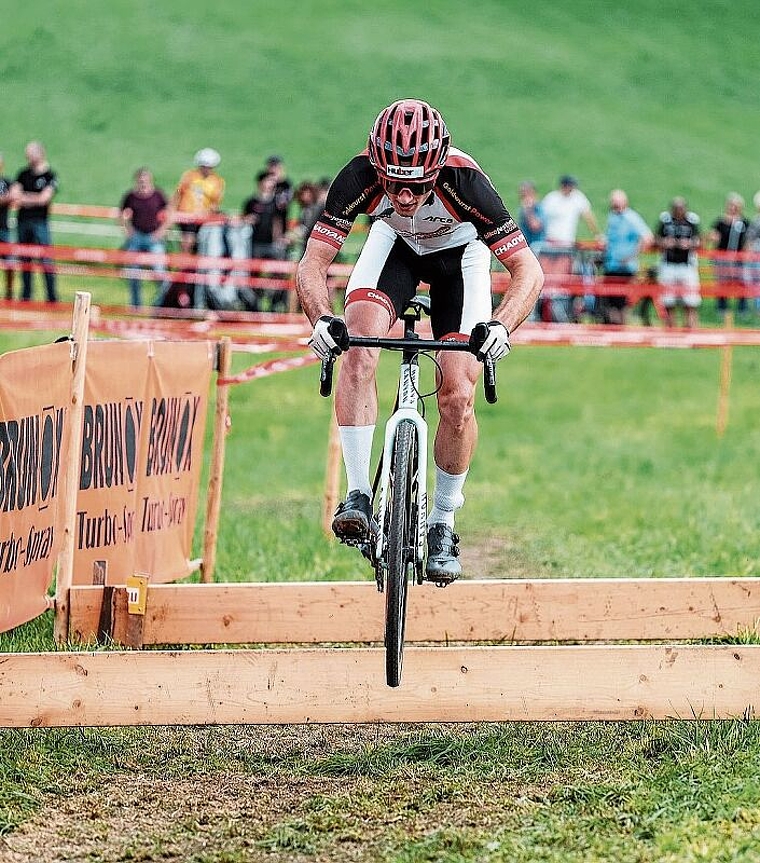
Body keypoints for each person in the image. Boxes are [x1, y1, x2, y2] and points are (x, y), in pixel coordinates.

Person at [296, 98, 543, 584]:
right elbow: (313, 262)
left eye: (416, 187)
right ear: (377, 167)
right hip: (395, 251)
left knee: (457, 395)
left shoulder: (466, 183)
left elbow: (527, 271)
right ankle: (359, 496)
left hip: (460, 261)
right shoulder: (358, 176)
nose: (406, 198)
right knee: (359, 345)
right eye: (395, 186)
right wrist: (322, 319)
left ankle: (443, 523)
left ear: (436, 170)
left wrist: (501, 326)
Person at [539, 175, 600, 321]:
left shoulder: (577, 198)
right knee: (547, 281)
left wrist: (597, 234)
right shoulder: (551, 199)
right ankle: (545, 310)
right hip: (551, 245)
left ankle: (560, 310)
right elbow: (541, 220)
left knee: (562, 281)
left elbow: (588, 215)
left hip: (566, 246)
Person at [11, 141, 59, 303]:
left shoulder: (49, 176)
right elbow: (15, 196)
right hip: (23, 222)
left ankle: (51, 297)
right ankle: (26, 296)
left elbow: (43, 199)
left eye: (30, 154)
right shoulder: (22, 174)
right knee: (25, 260)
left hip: (40, 222)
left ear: (40, 154)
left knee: (46, 260)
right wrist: (33, 198)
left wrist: (27, 197)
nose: (28, 158)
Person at [599, 189, 653, 324]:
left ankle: (621, 330)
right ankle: (612, 330)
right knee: (610, 300)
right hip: (611, 264)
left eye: (617, 203)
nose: (614, 206)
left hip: (626, 267)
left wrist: (630, 257)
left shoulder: (631, 218)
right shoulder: (613, 217)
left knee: (623, 302)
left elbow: (647, 238)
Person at [119, 168, 171, 308]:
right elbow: (121, 214)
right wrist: (127, 230)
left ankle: (161, 304)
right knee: (133, 273)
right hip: (137, 237)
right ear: (136, 181)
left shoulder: (158, 195)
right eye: (140, 181)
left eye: (145, 181)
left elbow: (169, 214)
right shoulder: (131, 196)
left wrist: (161, 231)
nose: (143, 184)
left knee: (160, 273)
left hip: (154, 238)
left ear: (150, 181)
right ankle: (136, 306)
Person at [242, 170, 287, 311]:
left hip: (272, 245)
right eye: (267, 181)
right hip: (255, 244)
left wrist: (279, 240)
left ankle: (274, 303)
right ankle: (254, 305)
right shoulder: (251, 202)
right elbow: (243, 218)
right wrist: (248, 219)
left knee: (277, 274)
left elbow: (279, 222)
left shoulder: (277, 203)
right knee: (254, 275)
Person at [655, 197, 701, 328]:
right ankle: (670, 331)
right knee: (668, 300)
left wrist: (689, 244)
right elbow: (656, 238)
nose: (679, 211)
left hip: (687, 265)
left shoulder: (691, 221)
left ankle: (691, 331)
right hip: (669, 264)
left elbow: (699, 240)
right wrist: (664, 242)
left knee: (691, 301)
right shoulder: (665, 220)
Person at [171, 148, 225, 254]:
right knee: (188, 241)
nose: (206, 169)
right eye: (203, 166)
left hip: (204, 218)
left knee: (204, 241)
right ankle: (185, 263)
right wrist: (172, 209)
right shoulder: (189, 176)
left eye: (209, 167)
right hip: (187, 216)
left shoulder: (217, 181)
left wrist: (210, 212)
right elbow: (178, 193)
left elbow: (215, 203)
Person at [707, 192, 748, 318]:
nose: (733, 208)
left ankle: (742, 309)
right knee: (722, 282)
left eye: (736, 205)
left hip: (738, 259)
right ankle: (722, 307)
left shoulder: (744, 223)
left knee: (742, 282)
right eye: (731, 205)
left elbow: (747, 240)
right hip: (722, 258)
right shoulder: (720, 222)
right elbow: (713, 235)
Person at [516, 181, 545, 320]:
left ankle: (534, 316)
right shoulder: (523, 209)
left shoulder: (537, 208)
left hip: (537, 252)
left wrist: (528, 210)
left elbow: (536, 226)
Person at [0, 153, 15, 300]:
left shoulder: (6, 182)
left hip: (3, 229)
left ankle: (9, 293)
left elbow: (15, 194)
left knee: (10, 263)